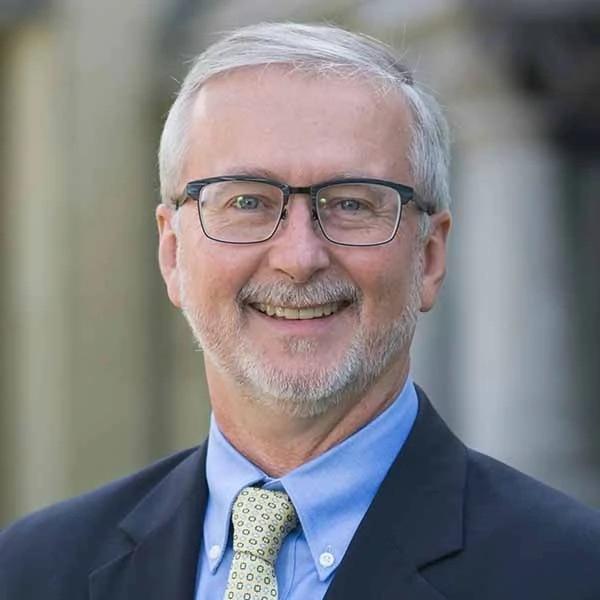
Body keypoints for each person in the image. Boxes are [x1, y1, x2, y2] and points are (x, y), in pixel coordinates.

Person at [1, 21, 599, 600]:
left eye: (352, 203)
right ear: (173, 252)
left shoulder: (572, 573)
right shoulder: (32, 571)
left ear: (430, 257)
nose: (299, 257)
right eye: (247, 202)